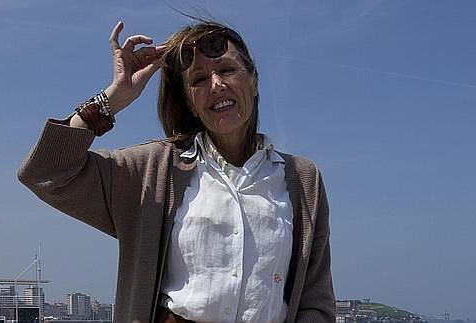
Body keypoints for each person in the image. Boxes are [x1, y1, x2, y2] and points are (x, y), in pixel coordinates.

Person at [18, 19, 334, 322]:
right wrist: (112, 99)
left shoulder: (303, 179)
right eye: (198, 79)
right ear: (190, 103)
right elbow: (46, 172)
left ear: (253, 81)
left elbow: (315, 303)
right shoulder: (152, 172)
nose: (217, 84)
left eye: (226, 69)